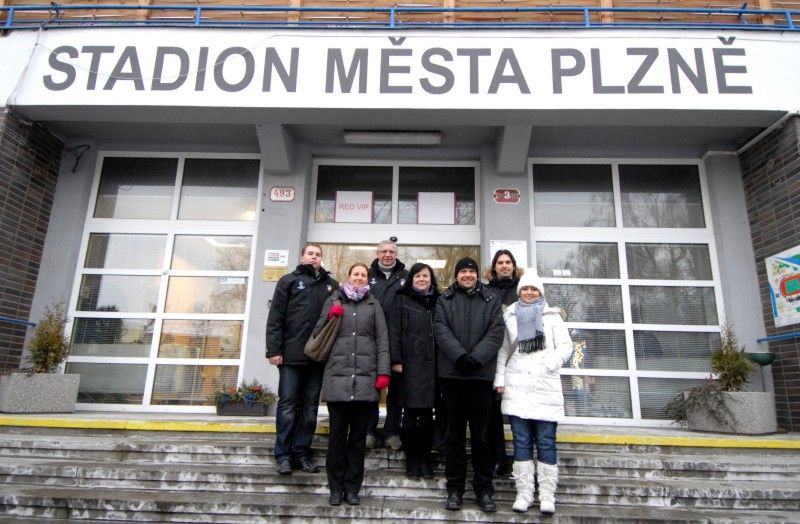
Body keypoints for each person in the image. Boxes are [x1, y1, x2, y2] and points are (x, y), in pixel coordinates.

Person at [493, 270, 574, 515]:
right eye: (525, 289)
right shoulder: (509, 316)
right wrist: (499, 378)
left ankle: (547, 495)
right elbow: (503, 350)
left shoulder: (552, 317)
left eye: (533, 289)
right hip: (517, 386)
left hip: (544, 386)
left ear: (540, 292)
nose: (529, 293)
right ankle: (524, 493)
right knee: (521, 442)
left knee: (547, 442)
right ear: (519, 292)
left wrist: (549, 364)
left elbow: (566, 346)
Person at [433, 257, 505, 513]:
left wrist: (476, 358)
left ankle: (484, 491)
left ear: (477, 275)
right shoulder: (445, 299)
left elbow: (497, 332)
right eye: (463, 271)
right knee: (454, 437)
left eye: (471, 271)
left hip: (480, 377)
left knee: (481, 437)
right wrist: (460, 356)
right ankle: (454, 490)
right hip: (453, 377)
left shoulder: (491, 299)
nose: (467, 275)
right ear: (456, 275)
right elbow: (441, 330)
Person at [317, 262, 391, 507]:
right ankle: (335, 489)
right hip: (338, 381)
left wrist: (383, 373)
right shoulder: (334, 301)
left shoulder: (374, 304)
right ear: (347, 277)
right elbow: (317, 334)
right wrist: (330, 317)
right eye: (355, 274)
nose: (359, 278)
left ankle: (352, 489)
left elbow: (382, 341)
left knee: (358, 441)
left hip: (365, 382)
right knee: (337, 439)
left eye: (363, 275)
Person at [266, 243, 338, 476]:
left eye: (318, 255)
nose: (314, 257)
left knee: (310, 408)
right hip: (290, 356)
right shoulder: (288, 281)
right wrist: (274, 350)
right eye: (310, 254)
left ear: (321, 259)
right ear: (302, 257)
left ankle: (301, 453)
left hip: (317, 358)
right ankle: (283, 456)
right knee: (287, 405)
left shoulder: (332, 286)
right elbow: (275, 317)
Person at [389, 262, 441, 480]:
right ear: (411, 279)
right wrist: (396, 359)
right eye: (417, 276)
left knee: (428, 416)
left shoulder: (439, 301)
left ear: (431, 279)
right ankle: (412, 461)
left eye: (425, 276)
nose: (421, 279)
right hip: (409, 366)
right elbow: (394, 332)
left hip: (433, 367)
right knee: (410, 415)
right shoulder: (401, 299)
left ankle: (425, 459)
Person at [366, 239, 409, 450]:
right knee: (372, 390)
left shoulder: (406, 277)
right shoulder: (367, 276)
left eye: (391, 251)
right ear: (377, 252)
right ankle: (368, 431)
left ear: (397, 254)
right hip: (371, 342)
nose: (387, 254)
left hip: (399, 342)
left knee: (397, 391)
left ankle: (393, 432)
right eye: (383, 251)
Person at [483, 249, 523, 477]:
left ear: (514, 265)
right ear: (494, 267)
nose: (504, 266)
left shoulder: (524, 290)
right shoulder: (487, 291)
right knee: (492, 413)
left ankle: (522, 460)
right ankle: (498, 457)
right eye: (500, 262)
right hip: (493, 358)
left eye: (508, 262)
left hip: (519, 359)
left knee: (519, 411)